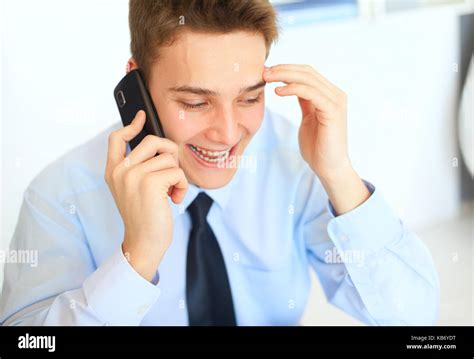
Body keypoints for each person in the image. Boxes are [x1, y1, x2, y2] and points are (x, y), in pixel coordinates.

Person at [0, 0, 439, 326]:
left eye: (249, 97)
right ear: (136, 83)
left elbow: (416, 321)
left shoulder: (294, 163)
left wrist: (339, 175)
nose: (228, 133)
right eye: (195, 101)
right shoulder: (59, 196)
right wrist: (137, 259)